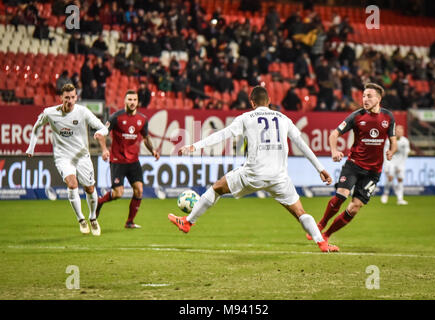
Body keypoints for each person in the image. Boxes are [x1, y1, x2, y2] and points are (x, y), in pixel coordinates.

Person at [169, 86, 339, 253]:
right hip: (279, 178)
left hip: (252, 174)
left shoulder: (246, 118)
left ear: (252, 102)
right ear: (269, 101)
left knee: (217, 188)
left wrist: (194, 146)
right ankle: (321, 243)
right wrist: (320, 168)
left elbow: (222, 135)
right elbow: (301, 144)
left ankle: (188, 222)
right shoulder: (283, 118)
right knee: (300, 212)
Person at [308, 83, 397, 245]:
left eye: (369, 96)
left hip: (373, 171)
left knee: (355, 207)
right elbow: (334, 134)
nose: (365, 99)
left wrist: (392, 151)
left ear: (379, 98)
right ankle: (321, 223)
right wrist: (334, 151)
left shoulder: (388, 117)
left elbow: (393, 141)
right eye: (363, 96)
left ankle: (327, 234)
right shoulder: (356, 116)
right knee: (341, 195)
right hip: (354, 165)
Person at [26, 84, 109, 236]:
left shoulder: (82, 112)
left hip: (82, 156)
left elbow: (103, 127)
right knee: (72, 184)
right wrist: (31, 147)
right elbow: (37, 127)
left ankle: (92, 218)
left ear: (76, 97)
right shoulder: (50, 113)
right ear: (61, 98)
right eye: (67, 98)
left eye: (72, 97)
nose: (70, 101)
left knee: (90, 188)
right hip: (63, 156)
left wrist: (100, 132)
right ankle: (81, 220)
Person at [96, 90, 160, 228]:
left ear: (138, 102)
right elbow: (102, 133)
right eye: (129, 99)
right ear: (125, 101)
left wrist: (153, 150)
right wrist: (104, 150)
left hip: (133, 161)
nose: (132, 102)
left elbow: (146, 137)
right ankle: (100, 202)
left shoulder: (142, 119)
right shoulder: (116, 117)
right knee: (118, 194)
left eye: (134, 100)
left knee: (139, 190)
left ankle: (129, 222)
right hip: (118, 160)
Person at [381, 125, 410, 205]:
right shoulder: (389, 140)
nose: (399, 132)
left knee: (400, 179)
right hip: (391, 162)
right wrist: (386, 165)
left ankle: (400, 199)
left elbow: (405, 155)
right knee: (390, 177)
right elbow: (385, 153)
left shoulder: (405, 141)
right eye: (398, 131)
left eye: (401, 131)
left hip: (400, 163)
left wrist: (402, 165)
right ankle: (385, 194)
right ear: (395, 131)